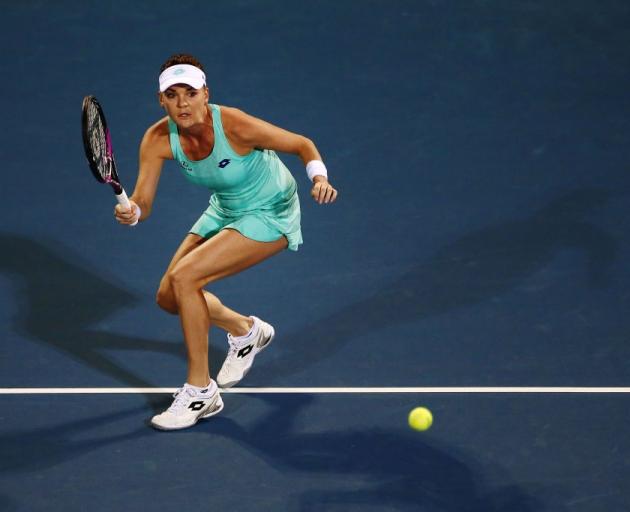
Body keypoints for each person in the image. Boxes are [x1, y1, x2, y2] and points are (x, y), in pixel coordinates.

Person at [114, 54, 337, 431]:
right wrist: (132, 211)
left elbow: (302, 144)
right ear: (161, 101)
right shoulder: (156, 139)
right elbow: (143, 201)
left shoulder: (234, 125)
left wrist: (318, 178)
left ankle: (201, 391)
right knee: (168, 297)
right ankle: (246, 330)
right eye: (173, 94)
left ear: (206, 95)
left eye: (190, 93)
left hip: (271, 210)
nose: (182, 103)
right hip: (226, 208)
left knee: (186, 279)